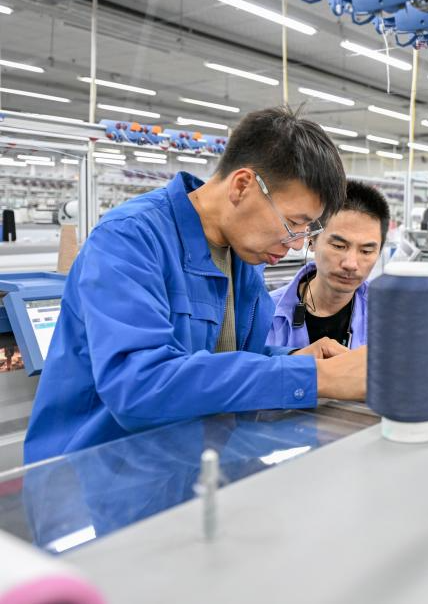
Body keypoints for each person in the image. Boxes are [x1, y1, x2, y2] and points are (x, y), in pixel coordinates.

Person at [24, 106, 367, 464]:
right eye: (294, 223)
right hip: (95, 475)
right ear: (242, 186)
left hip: (184, 466)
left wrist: (292, 358)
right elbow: (139, 385)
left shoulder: (243, 257)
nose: (296, 244)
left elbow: (218, 361)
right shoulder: (130, 240)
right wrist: (312, 377)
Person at [267, 180, 390, 350]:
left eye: (366, 251)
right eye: (339, 246)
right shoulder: (264, 313)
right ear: (311, 238)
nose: (350, 264)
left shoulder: (390, 317)